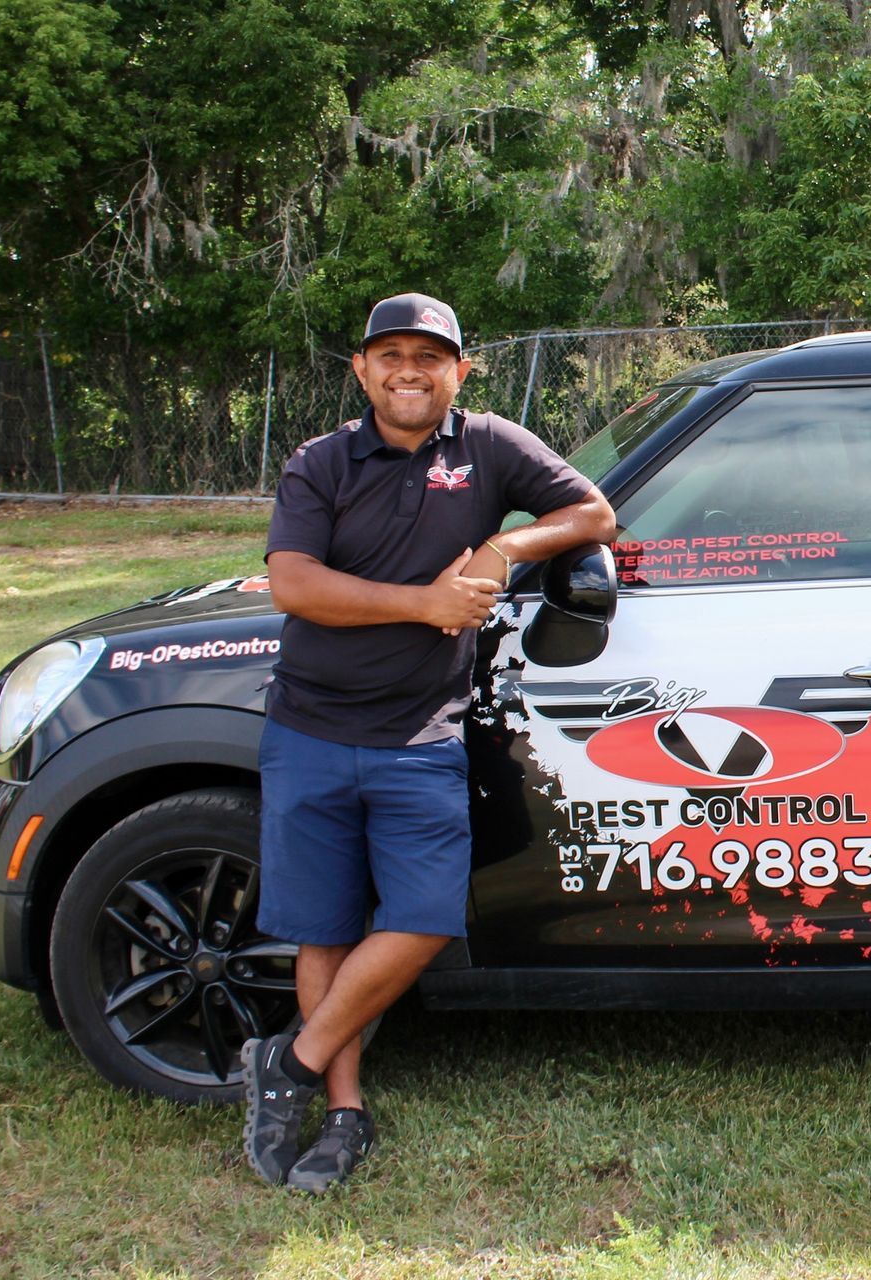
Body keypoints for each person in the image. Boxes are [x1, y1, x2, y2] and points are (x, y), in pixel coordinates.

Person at [240, 292, 614, 1192]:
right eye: (391, 356)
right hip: (311, 727)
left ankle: (287, 1065)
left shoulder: (489, 446)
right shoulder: (320, 462)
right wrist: (426, 603)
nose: (409, 372)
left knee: (424, 919)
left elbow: (593, 513)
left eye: (429, 357)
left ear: (459, 371)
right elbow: (294, 584)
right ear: (362, 370)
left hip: (420, 734)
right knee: (324, 929)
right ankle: (342, 1112)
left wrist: (504, 547)